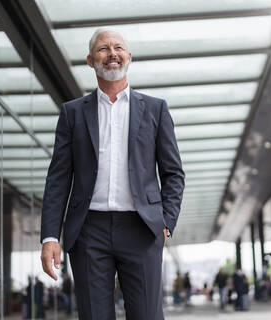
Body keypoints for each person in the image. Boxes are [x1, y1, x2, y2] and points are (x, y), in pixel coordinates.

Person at [40, 28, 185, 320]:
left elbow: (173, 173)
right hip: (88, 231)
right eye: (103, 49)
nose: (112, 53)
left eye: (118, 47)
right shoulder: (73, 113)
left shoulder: (156, 110)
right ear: (90, 59)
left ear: (129, 56)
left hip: (142, 229)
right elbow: (58, 178)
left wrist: (165, 222)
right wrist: (49, 237)